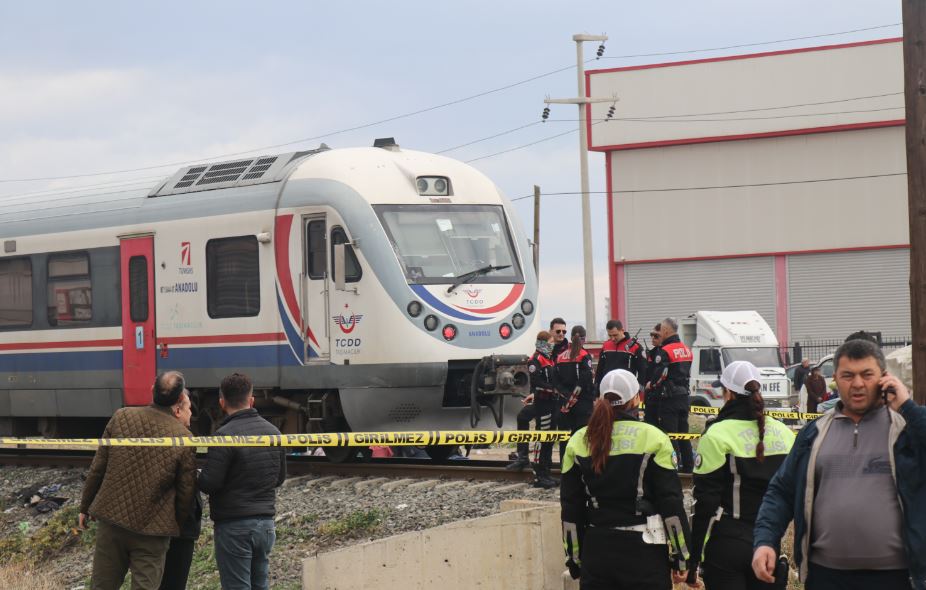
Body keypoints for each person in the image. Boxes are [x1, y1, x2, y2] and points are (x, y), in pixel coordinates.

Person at [752, 339, 926, 590]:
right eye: (847, 375)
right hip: (826, 577)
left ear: (884, 377)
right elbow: (781, 491)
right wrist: (765, 541)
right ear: (835, 378)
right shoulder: (814, 433)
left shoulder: (905, 430)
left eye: (867, 375)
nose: (857, 384)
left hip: (897, 577)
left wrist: (907, 407)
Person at [561, 369, 691, 589]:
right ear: (636, 399)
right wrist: (682, 556)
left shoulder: (579, 440)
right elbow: (671, 502)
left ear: (600, 399)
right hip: (644, 552)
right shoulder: (654, 437)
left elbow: (570, 508)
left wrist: (574, 560)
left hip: (597, 551)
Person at [79, 372, 197, 590]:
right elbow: (186, 491)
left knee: (102, 586)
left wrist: (85, 507)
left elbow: (98, 467)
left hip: (112, 522)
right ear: (180, 401)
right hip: (153, 532)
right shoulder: (183, 437)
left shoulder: (122, 417)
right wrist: (174, 525)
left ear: (152, 389)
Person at [687, 361, 795, 590]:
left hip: (728, 541)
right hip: (770, 541)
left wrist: (693, 558)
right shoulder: (785, 433)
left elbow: (704, 503)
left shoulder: (716, 433)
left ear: (728, 393)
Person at [199, 373, 287, 590]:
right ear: (251, 400)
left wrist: (197, 475)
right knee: (260, 585)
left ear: (222, 402)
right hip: (265, 525)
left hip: (234, 526)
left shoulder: (223, 435)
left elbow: (210, 483)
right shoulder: (273, 432)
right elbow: (279, 478)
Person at [506, 330, 559, 489]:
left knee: (548, 439)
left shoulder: (549, 358)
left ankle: (546, 472)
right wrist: (555, 389)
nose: (552, 346)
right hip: (543, 403)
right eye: (550, 343)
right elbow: (537, 382)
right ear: (543, 343)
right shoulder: (535, 360)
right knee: (541, 439)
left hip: (550, 403)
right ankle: (538, 475)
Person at [645, 317, 695, 473]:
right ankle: (688, 466)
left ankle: (672, 467)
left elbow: (662, 373)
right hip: (684, 396)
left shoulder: (665, 351)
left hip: (669, 398)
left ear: (666, 330)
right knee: (684, 435)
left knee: (671, 435)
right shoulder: (687, 349)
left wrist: (651, 384)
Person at [556, 325, 595, 459]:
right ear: (584, 339)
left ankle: (565, 467)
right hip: (583, 404)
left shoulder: (560, 357)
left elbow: (556, 381)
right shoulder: (585, 356)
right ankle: (581, 468)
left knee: (565, 439)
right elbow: (586, 379)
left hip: (564, 404)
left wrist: (567, 397)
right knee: (583, 437)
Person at [595, 319, 647, 388]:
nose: (612, 338)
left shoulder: (635, 347)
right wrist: (596, 392)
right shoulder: (605, 346)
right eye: (610, 335)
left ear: (622, 330)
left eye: (615, 335)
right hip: (608, 389)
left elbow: (643, 371)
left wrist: (638, 389)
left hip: (627, 390)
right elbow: (599, 370)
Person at [643, 323, 663, 429]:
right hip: (650, 399)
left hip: (661, 400)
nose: (653, 338)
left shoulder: (665, 353)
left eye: (656, 336)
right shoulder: (651, 353)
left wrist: (652, 384)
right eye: (651, 335)